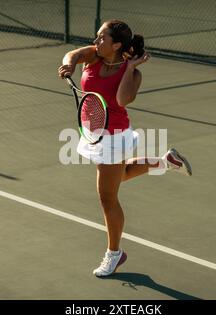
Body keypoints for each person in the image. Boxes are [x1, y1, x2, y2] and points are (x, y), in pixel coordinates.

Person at [58, 20, 192, 277]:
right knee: (118, 177)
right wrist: (70, 64)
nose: (96, 41)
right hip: (93, 132)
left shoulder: (133, 74)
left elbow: (121, 100)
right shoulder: (94, 56)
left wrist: (130, 67)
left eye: (102, 38)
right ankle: (165, 161)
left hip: (113, 137)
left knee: (107, 197)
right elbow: (73, 54)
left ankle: (114, 253)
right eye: (96, 37)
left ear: (116, 45)